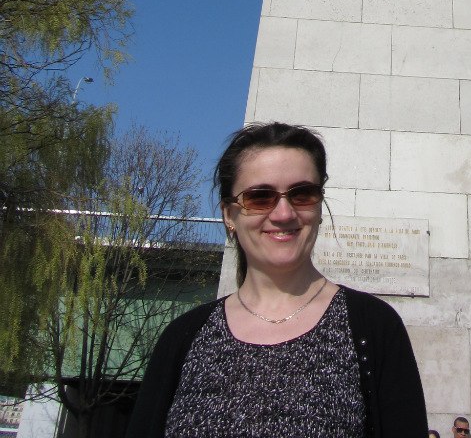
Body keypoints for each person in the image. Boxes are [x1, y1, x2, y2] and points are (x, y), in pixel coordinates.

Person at [127, 121, 428, 437]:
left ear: (319, 205)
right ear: (229, 214)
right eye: (259, 197)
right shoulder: (182, 338)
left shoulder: (373, 328)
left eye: (302, 194)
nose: (283, 214)